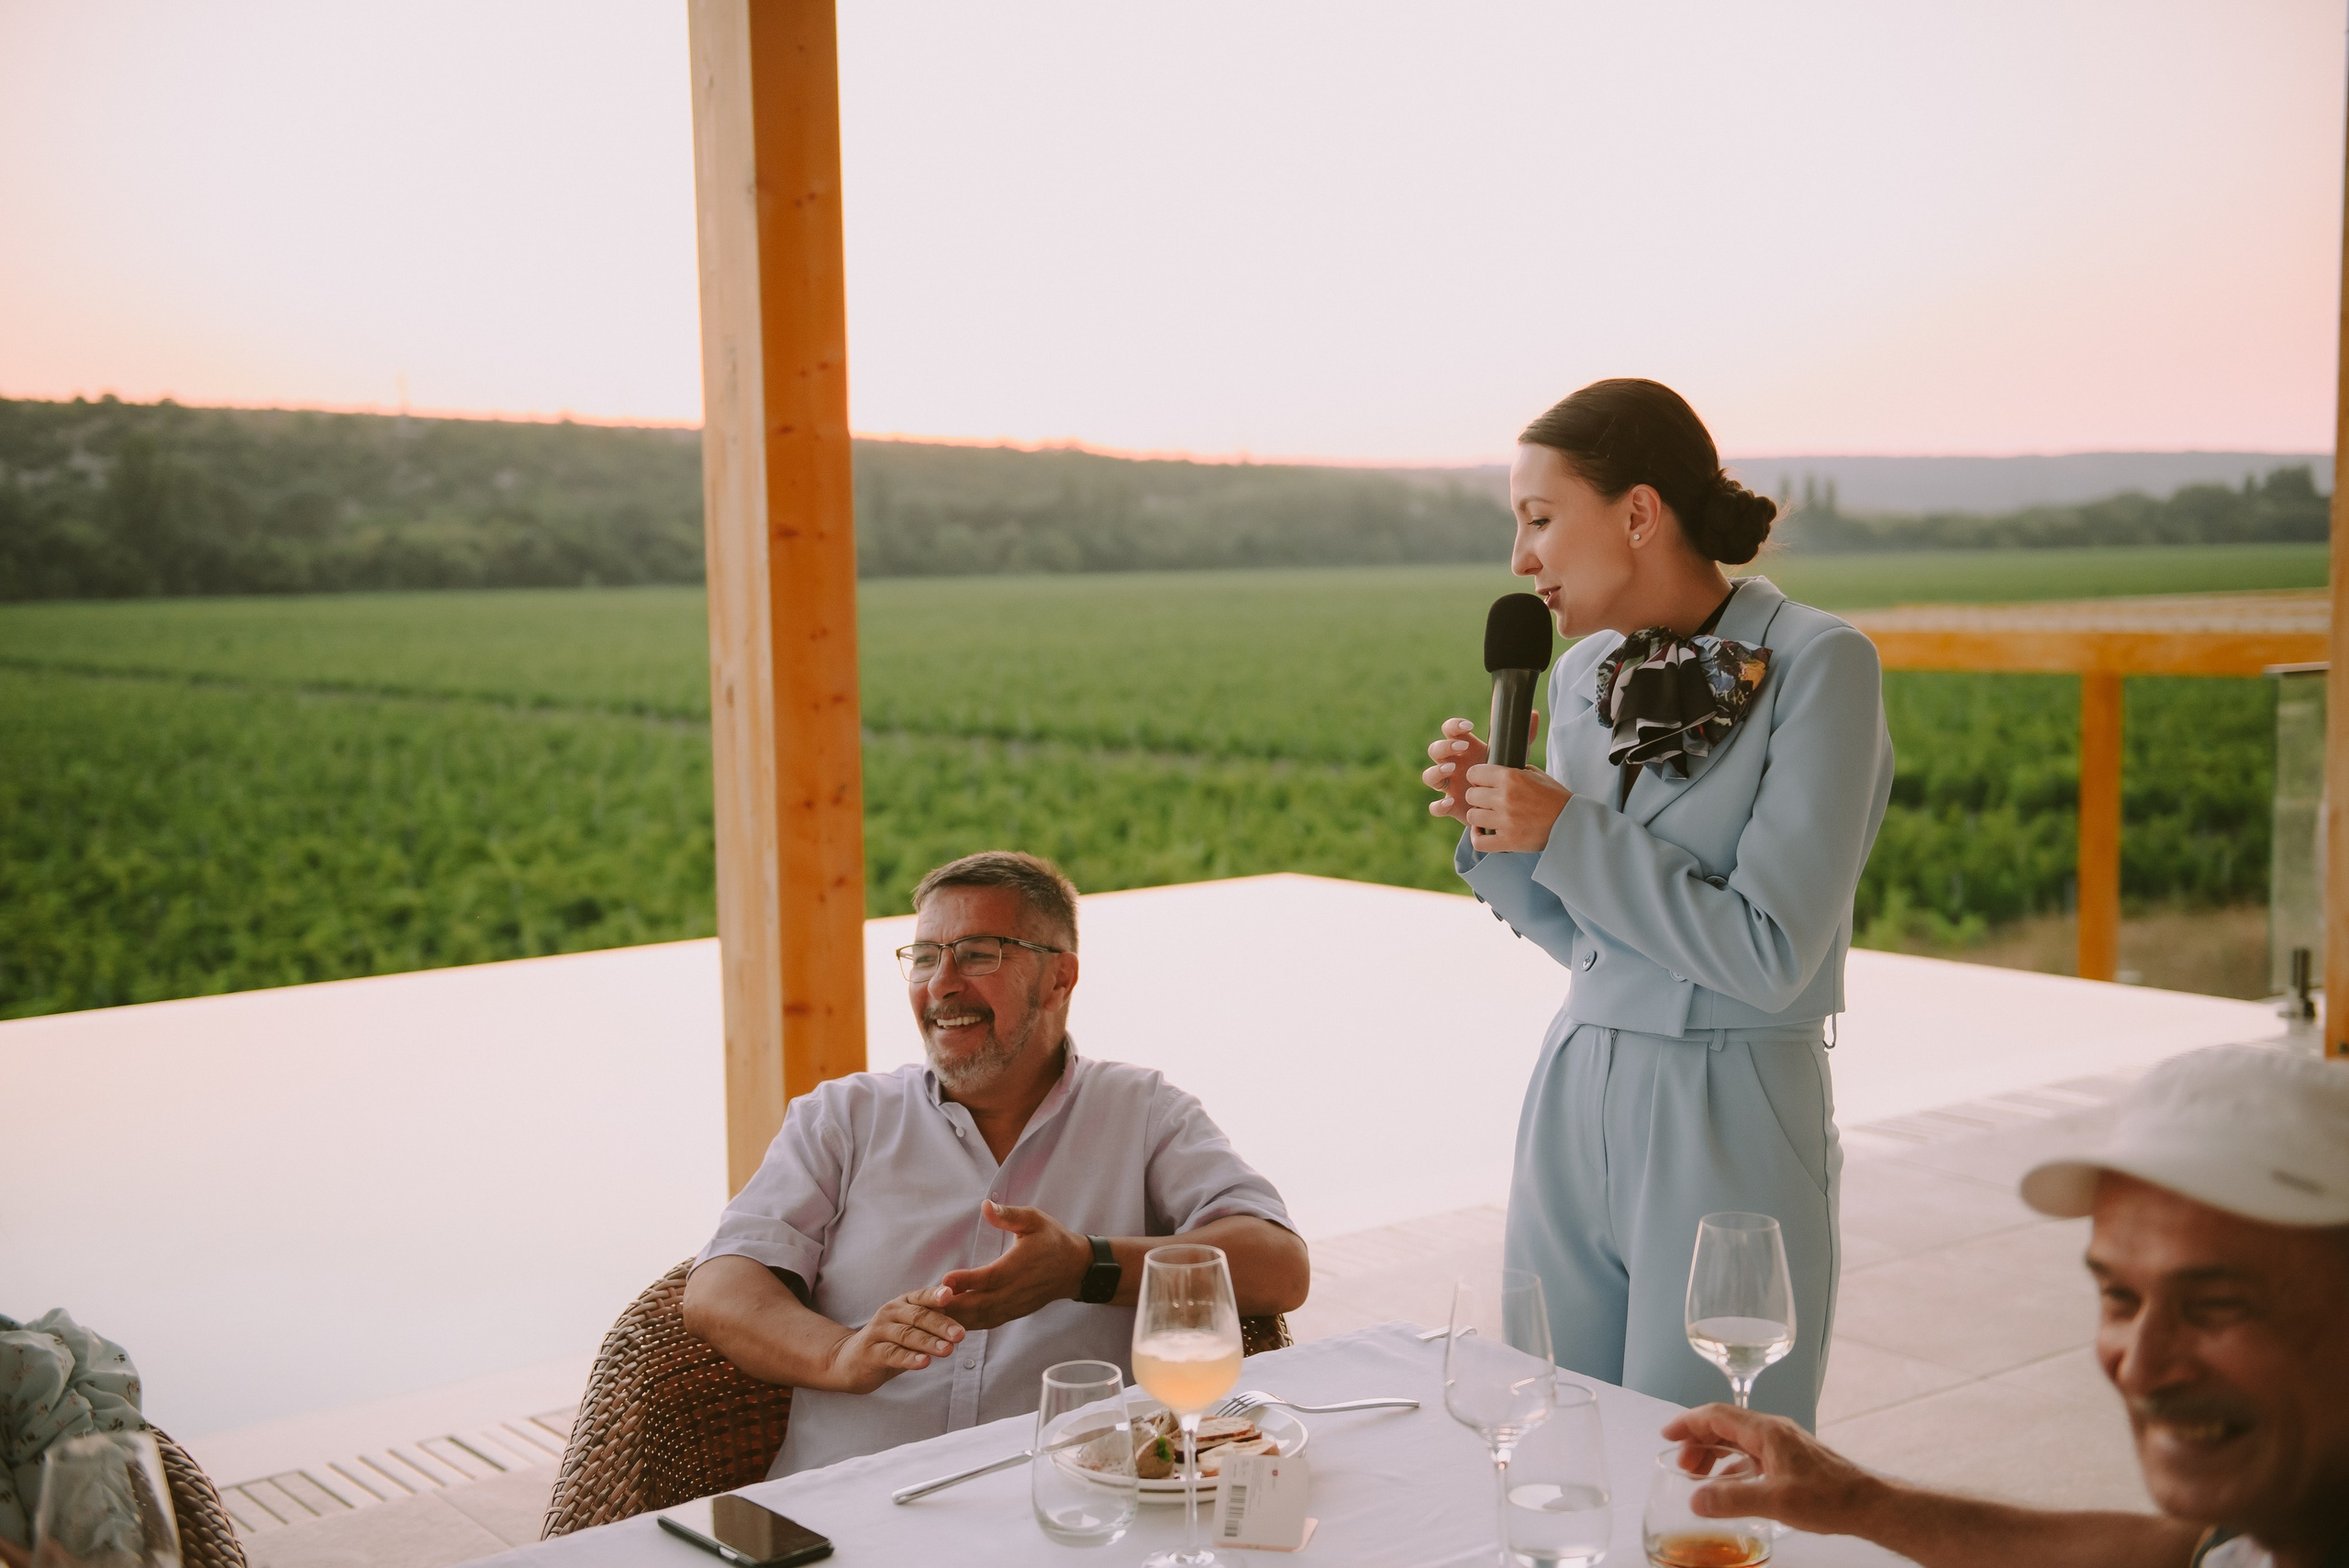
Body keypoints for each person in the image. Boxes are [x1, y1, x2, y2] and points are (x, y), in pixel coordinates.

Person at [1422, 378, 1894, 1427]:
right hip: (1574, 1076)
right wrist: (1499, 831)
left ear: (1637, 512)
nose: (1521, 558)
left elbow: (1769, 949)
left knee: (1705, 1462)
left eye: (1540, 519)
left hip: (1731, 1100)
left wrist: (1568, 829)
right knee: (1553, 1422)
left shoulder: (1823, 664)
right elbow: (1589, 938)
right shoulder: (1587, 674)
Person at [681, 851, 1310, 1476]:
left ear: (1059, 978)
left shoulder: (1144, 1111)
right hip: (845, 1512)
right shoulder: (842, 1116)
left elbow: (1280, 1269)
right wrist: (840, 1354)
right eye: (925, 956)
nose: (942, 983)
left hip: (1062, 1507)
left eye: (978, 953)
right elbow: (719, 1289)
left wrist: (1084, 1267)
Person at [1661, 1044, 2349, 1568]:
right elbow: (2189, 1551)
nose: (2140, 1365)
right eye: (2120, 1296)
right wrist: (1858, 1500)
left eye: (2217, 1304)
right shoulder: (2287, 1526)